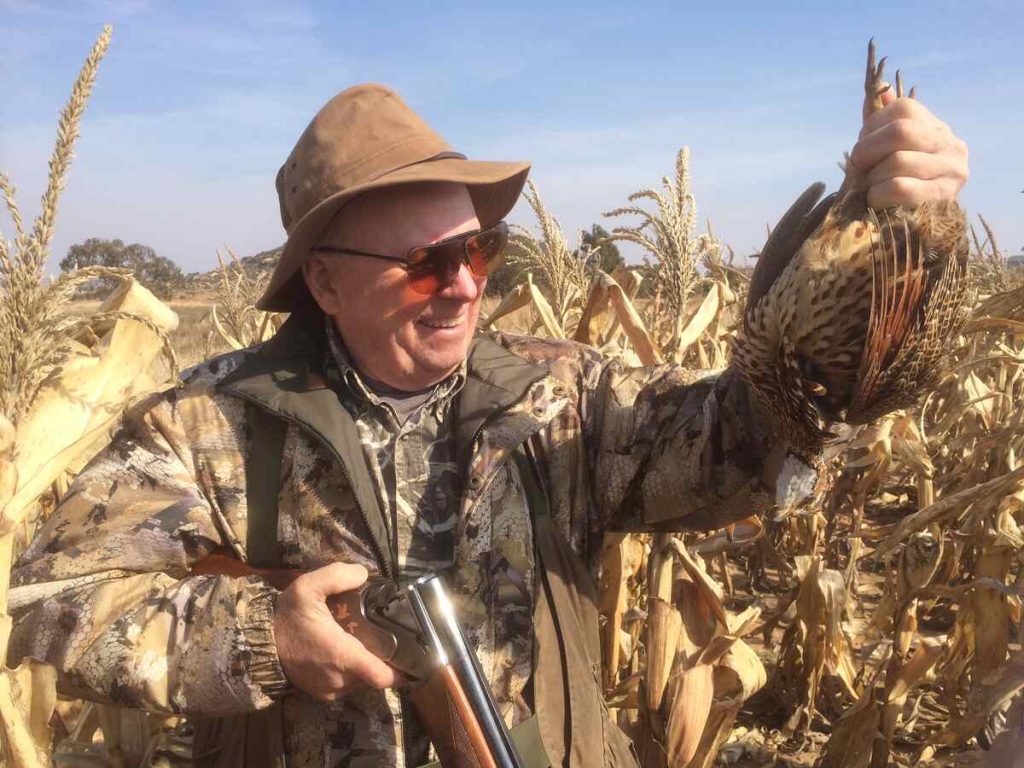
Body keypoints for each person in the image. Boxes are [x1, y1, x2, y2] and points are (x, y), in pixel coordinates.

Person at [7, 81, 967, 767]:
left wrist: (893, 254)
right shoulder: (203, 425)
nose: (466, 281)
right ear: (326, 283)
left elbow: (746, 440)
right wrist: (260, 634)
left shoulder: (565, 395)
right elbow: (49, 604)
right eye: (427, 263)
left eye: (480, 248)